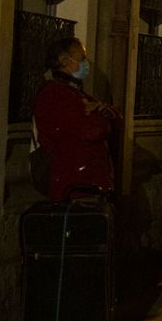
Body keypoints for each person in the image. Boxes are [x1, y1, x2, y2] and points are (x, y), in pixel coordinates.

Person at [32, 37, 119, 200]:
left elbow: (114, 118)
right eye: (82, 59)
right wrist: (97, 115)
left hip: (88, 185)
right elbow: (93, 129)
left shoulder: (75, 93)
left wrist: (97, 112)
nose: (86, 64)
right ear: (64, 60)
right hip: (73, 186)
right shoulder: (53, 95)